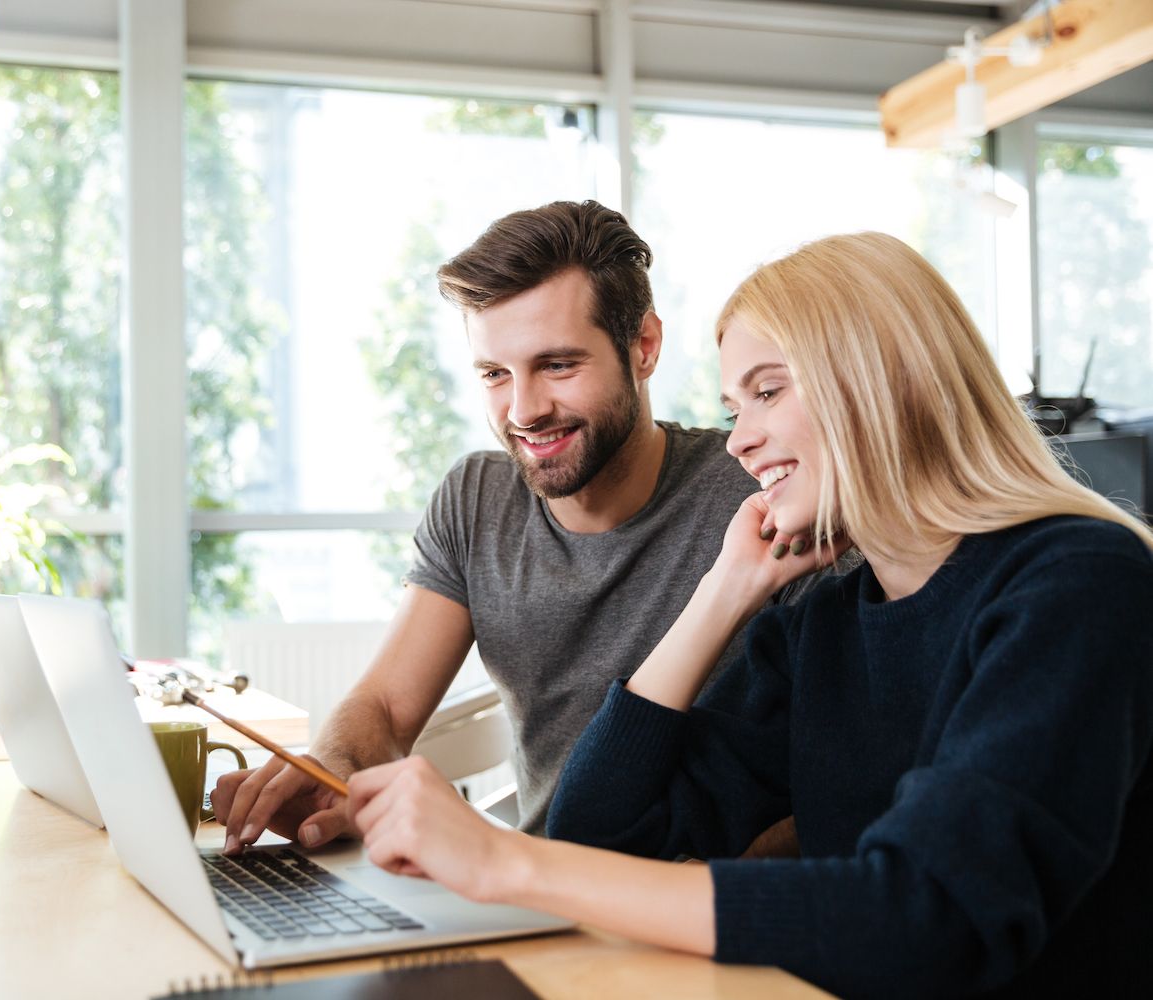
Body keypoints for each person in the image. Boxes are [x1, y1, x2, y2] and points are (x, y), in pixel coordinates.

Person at [345, 232, 1153, 998]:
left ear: (881, 378)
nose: (740, 441)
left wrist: (508, 865)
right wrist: (723, 592)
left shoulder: (1075, 582)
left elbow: (929, 917)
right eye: (736, 408)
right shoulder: (826, 622)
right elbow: (600, 831)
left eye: (767, 391)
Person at [213, 201, 816, 853]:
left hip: (696, 909)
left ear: (643, 347)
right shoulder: (477, 498)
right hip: (524, 890)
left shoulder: (762, 492)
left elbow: (831, 789)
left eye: (557, 365)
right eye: (496, 374)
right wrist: (332, 763)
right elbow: (386, 707)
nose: (523, 411)